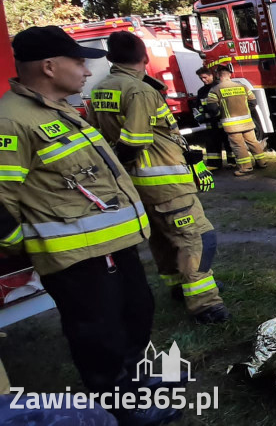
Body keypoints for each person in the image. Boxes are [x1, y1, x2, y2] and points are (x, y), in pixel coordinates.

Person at [0, 26, 179, 424]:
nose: (85, 71)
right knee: (99, 334)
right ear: (49, 66)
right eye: (78, 61)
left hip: (112, 246)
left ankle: (134, 381)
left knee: (136, 312)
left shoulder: (59, 109)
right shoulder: (11, 121)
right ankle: (121, 406)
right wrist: (25, 245)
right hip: (76, 258)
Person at [89, 31, 229, 324]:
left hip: (138, 184)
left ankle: (179, 287)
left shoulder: (101, 89)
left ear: (110, 58)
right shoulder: (139, 91)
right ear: (144, 58)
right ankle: (205, 304)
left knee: (164, 239)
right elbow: (135, 140)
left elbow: (100, 137)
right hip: (164, 182)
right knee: (199, 238)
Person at [206, 64, 268, 176]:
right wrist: (245, 111)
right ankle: (262, 163)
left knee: (238, 145)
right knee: (253, 142)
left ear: (219, 76)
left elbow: (212, 109)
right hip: (247, 122)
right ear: (229, 75)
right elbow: (253, 102)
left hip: (232, 125)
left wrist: (221, 115)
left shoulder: (215, 90)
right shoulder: (243, 86)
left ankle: (246, 168)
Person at [192, 66, 234, 169]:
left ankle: (233, 162)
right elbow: (198, 106)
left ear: (211, 75)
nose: (203, 80)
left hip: (222, 121)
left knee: (229, 142)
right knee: (212, 144)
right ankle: (214, 164)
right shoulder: (201, 91)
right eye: (201, 78)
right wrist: (198, 116)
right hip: (210, 123)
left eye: (205, 77)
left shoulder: (219, 87)